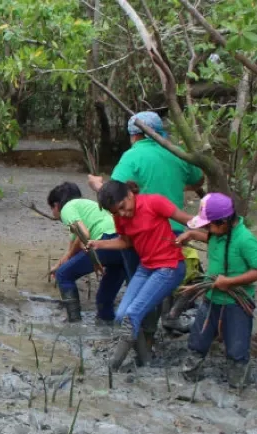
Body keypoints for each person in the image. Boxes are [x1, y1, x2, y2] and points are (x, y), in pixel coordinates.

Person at [88, 111, 205, 338]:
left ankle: (146, 336)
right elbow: (198, 179)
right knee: (160, 280)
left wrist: (96, 185)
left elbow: (115, 192)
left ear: (134, 135)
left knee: (140, 285)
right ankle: (162, 323)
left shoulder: (132, 157)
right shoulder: (176, 152)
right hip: (174, 232)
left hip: (142, 234)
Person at [89, 180, 196, 370]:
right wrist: (99, 244)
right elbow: (125, 242)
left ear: (130, 195)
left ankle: (112, 368)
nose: (122, 214)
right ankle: (146, 361)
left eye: (123, 207)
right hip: (146, 267)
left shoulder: (154, 202)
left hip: (169, 267)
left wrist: (213, 231)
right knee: (121, 316)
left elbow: (188, 220)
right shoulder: (119, 216)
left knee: (132, 314)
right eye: (116, 212)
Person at [175, 193, 257, 387]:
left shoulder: (245, 240)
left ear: (224, 222)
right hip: (211, 299)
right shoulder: (218, 233)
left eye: (209, 225)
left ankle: (238, 386)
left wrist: (231, 282)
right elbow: (213, 239)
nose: (207, 229)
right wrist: (192, 234)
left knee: (237, 350)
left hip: (236, 304)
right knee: (197, 342)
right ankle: (187, 378)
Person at [46, 182, 129, 325]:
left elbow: (84, 233)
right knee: (104, 299)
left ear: (57, 205)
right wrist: (58, 265)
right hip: (123, 245)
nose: (53, 213)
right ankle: (107, 327)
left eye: (51, 208)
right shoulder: (85, 206)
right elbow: (73, 249)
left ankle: (74, 322)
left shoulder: (67, 208)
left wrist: (62, 269)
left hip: (105, 240)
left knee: (64, 275)